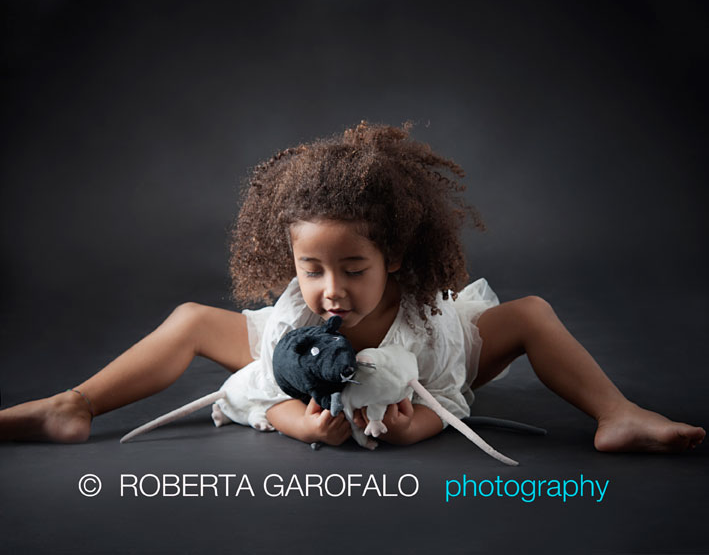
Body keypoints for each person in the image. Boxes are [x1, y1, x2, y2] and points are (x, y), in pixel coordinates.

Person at [0, 121, 704, 452]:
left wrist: (422, 422)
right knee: (189, 316)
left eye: (353, 268)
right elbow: (254, 386)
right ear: (292, 262)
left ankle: (617, 411)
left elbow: (451, 385)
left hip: (443, 356)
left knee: (532, 313)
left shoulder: (427, 324)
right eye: (312, 269)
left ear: (394, 255)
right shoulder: (289, 323)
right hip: (298, 362)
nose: (330, 290)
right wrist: (291, 418)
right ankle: (76, 403)